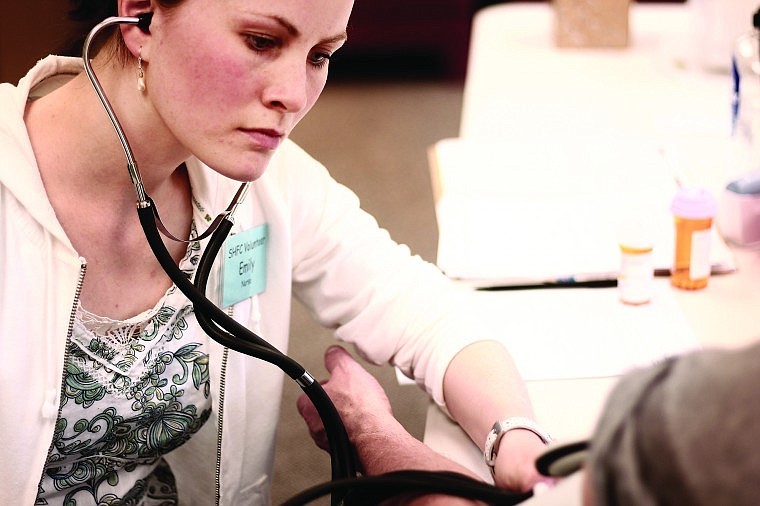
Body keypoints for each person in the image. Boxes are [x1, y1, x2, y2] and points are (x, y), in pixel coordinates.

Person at [0, 0, 552, 504]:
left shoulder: (263, 183)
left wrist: (516, 443)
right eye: (262, 41)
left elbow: (428, 316)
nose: (293, 93)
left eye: (320, 55)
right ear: (142, 15)